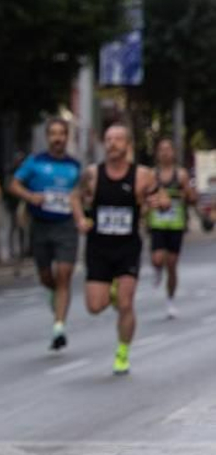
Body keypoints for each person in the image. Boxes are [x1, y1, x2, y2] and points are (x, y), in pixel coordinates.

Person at [78, 123, 158, 375]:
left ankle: (123, 352)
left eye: (118, 139)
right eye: (108, 139)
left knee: (126, 303)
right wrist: (80, 218)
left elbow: (162, 198)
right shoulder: (92, 174)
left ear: (128, 144)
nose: (112, 143)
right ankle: (110, 291)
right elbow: (74, 197)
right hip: (98, 247)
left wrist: (156, 202)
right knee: (94, 306)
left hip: (127, 247)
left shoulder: (142, 175)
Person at [8, 118, 84, 350]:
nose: (57, 138)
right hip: (40, 225)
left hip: (66, 226)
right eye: (53, 133)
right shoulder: (35, 162)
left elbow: (80, 193)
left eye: (62, 133)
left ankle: (59, 327)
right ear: (48, 136)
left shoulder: (75, 166)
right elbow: (13, 185)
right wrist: (31, 197)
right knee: (45, 276)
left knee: (64, 273)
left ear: (67, 136)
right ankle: (54, 293)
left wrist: (80, 213)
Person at [147, 135, 194, 318]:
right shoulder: (152, 175)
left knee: (172, 265)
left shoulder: (181, 174)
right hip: (157, 223)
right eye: (161, 150)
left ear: (174, 153)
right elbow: (145, 196)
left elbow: (191, 197)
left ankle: (170, 300)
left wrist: (185, 195)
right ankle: (157, 270)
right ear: (157, 154)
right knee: (157, 258)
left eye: (168, 150)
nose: (165, 153)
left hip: (176, 224)